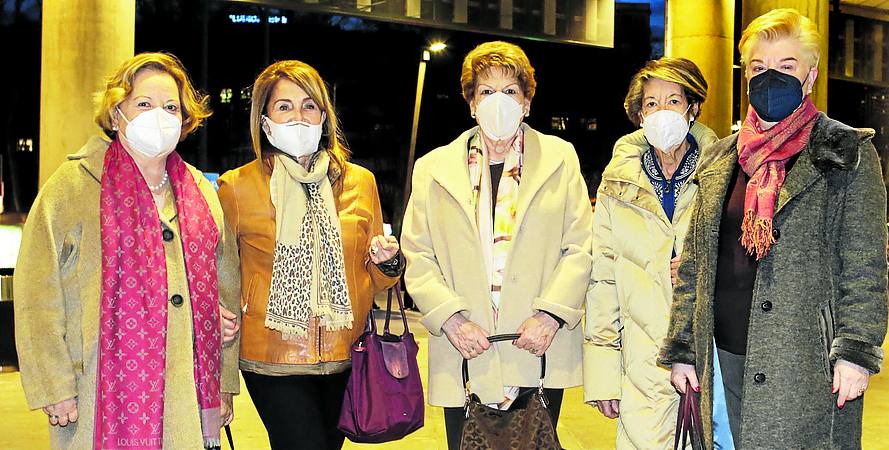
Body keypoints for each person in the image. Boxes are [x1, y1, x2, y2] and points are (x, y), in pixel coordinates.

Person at [660, 9, 888, 449]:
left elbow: (864, 266)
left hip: (806, 364)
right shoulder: (720, 158)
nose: (770, 79)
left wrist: (856, 352)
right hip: (721, 355)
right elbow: (694, 267)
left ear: (811, 74)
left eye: (787, 67)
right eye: (759, 68)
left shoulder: (844, 151)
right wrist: (683, 350)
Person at [14, 52, 240, 449]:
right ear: (117, 113)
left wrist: (224, 382)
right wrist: (53, 384)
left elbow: (226, 294)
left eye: (171, 107)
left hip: (188, 392)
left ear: (185, 120)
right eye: (144, 104)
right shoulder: (73, 184)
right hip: (96, 394)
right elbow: (37, 292)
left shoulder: (202, 193)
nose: (160, 115)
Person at [401, 41, 592, 450]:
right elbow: (418, 255)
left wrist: (549, 318)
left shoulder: (561, 158)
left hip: (535, 347)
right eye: (486, 92)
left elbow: (579, 247)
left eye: (510, 91)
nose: (497, 102)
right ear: (470, 102)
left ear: (527, 101)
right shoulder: (432, 169)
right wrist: (451, 320)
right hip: (464, 351)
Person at [216, 60, 402, 450]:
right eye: (284, 106)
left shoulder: (360, 182)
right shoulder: (236, 187)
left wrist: (388, 262)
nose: (298, 116)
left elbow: (376, 275)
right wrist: (220, 381)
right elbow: (223, 281)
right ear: (264, 119)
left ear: (324, 115)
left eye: (308, 105)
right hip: (270, 357)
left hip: (345, 354)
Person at [584, 57, 721, 449]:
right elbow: (603, 278)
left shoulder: (723, 171)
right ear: (638, 114)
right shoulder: (617, 180)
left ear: (693, 108)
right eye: (651, 104)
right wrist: (603, 373)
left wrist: (703, 269)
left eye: (674, 101)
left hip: (706, 358)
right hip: (640, 367)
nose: (662, 112)